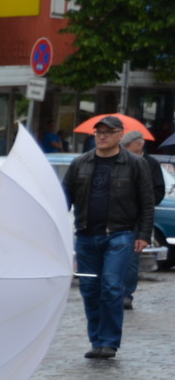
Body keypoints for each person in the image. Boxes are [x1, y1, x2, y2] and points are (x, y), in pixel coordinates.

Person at [61, 115, 156, 357]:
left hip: (120, 235)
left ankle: (109, 342)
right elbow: (63, 198)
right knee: (90, 288)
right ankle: (97, 341)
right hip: (86, 236)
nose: (102, 136)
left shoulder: (135, 164)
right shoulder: (80, 163)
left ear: (120, 135)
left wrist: (144, 234)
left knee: (112, 286)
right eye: (98, 132)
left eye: (107, 132)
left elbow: (146, 202)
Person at [117, 129, 165, 311]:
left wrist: (145, 202)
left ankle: (126, 295)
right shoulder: (118, 161)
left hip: (137, 218)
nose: (137, 154)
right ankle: (111, 292)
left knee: (131, 259)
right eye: (133, 151)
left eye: (139, 150)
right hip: (116, 217)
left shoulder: (151, 163)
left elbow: (158, 191)